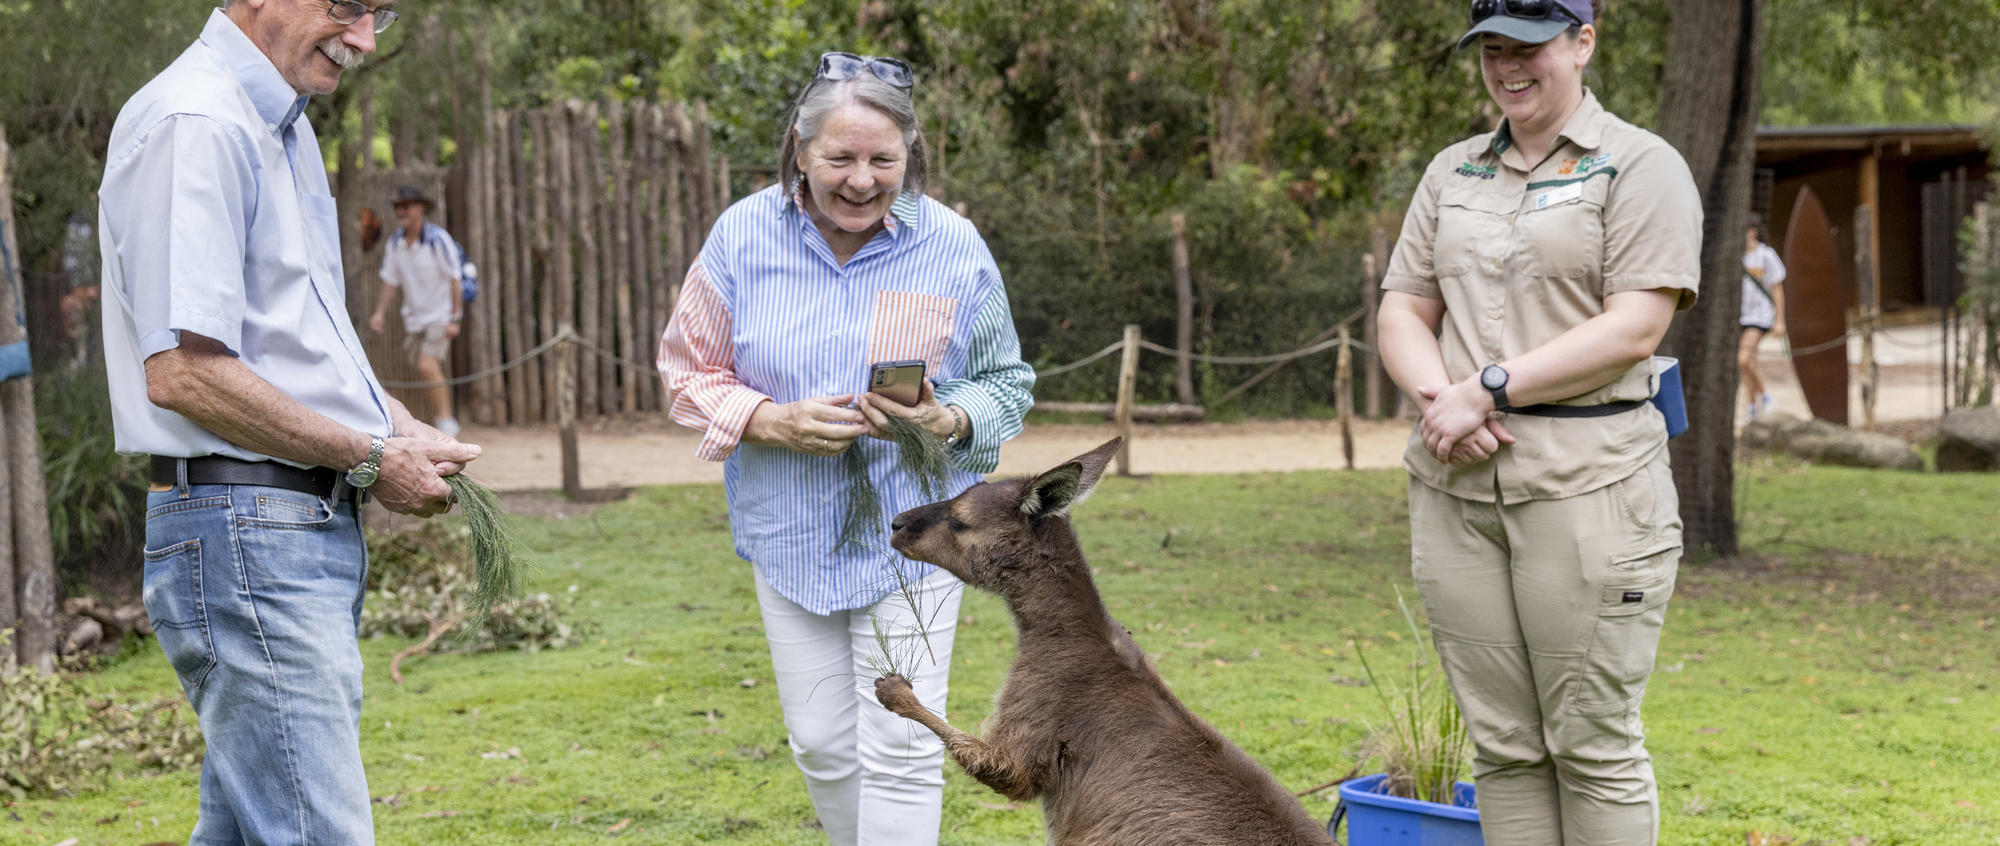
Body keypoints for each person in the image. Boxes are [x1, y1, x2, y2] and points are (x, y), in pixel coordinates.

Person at [96, 2, 480, 843]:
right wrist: (373, 458)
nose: (367, 39)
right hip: (245, 533)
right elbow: (186, 372)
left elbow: (292, 345)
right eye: (348, 6)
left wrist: (396, 424)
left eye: (379, 12)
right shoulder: (197, 123)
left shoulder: (285, 128)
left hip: (286, 526)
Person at [657, 51, 1035, 846]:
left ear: (910, 155)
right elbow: (689, 372)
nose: (862, 179)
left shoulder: (954, 246)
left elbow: (1006, 382)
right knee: (823, 746)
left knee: (899, 746)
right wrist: (767, 420)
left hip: (920, 539)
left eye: (882, 160)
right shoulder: (741, 236)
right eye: (840, 158)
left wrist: (949, 419)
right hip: (787, 531)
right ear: (800, 150)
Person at [1375, 1, 1702, 843]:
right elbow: (1402, 310)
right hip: (1455, 485)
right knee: (1506, 746)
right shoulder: (1452, 171)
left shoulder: (1639, 165)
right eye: (1490, 48)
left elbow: (1635, 325)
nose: (1507, 65)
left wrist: (1488, 387)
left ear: (1583, 42)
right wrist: (1441, 400)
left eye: (1529, 46)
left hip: (1588, 485)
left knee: (1591, 745)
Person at [368, 184, 467, 437]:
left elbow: (455, 279)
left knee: (427, 364)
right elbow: (390, 281)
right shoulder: (395, 243)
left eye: (407, 206)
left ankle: (447, 424)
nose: (402, 211)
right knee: (420, 366)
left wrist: (454, 317)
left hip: (440, 315)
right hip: (414, 319)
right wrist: (379, 312)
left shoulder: (438, 239)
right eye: (398, 207)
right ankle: (432, 421)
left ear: (421, 208)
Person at [1739, 213, 1788, 419]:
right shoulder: (1738, 257)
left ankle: (1765, 396)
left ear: (1752, 232)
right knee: (1749, 362)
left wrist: (1780, 320)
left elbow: (1777, 288)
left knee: (1743, 359)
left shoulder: (1766, 255)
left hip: (1760, 315)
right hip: (1741, 315)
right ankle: (1752, 406)